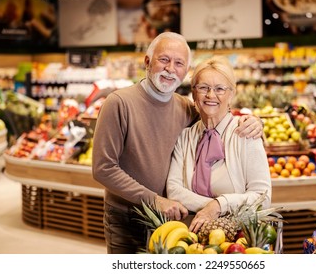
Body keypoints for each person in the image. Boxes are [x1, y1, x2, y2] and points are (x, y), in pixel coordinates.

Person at [92, 32, 263, 254]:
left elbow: (218, 112)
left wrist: (254, 123)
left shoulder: (186, 108)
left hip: (171, 218)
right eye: (164, 59)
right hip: (127, 216)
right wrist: (155, 200)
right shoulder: (119, 103)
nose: (171, 69)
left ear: (185, 72)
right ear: (147, 62)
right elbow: (103, 168)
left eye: (179, 63)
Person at [166, 55, 272, 233]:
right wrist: (213, 207)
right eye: (203, 87)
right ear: (193, 93)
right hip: (191, 233)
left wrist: (219, 206)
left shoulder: (246, 134)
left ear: (232, 94)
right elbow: (174, 191)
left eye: (220, 89)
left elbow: (262, 197)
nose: (210, 95)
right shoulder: (185, 137)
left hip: (239, 237)